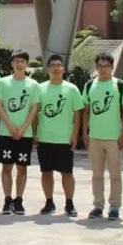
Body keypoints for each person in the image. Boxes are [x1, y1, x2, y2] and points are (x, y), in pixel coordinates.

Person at [35, 54, 83, 217]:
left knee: (67, 173)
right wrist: (34, 133)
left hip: (64, 139)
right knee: (46, 172)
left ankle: (69, 203)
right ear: (47, 69)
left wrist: (75, 135)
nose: (56, 68)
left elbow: (77, 114)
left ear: (63, 69)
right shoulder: (40, 88)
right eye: (52, 65)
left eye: (59, 65)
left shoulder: (72, 89)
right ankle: (49, 202)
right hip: (45, 138)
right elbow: (35, 112)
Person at [82, 52, 123, 220]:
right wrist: (84, 132)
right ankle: (98, 206)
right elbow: (86, 111)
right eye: (100, 66)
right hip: (95, 138)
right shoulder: (89, 85)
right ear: (96, 67)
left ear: (112, 67)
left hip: (114, 138)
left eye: (106, 66)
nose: (103, 69)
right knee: (97, 174)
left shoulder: (119, 85)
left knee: (115, 175)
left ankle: (114, 207)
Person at [0, 50, 39, 215]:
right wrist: (11, 127)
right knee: (6, 167)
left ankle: (19, 200)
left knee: (22, 168)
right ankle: (7, 199)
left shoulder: (33, 85)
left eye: (22, 61)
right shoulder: (3, 82)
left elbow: (34, 108)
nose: (19, 64)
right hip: (6, 133)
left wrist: (23, 128)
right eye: (16, 61)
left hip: (25, 135)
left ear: (26, 64)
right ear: (12, 63)